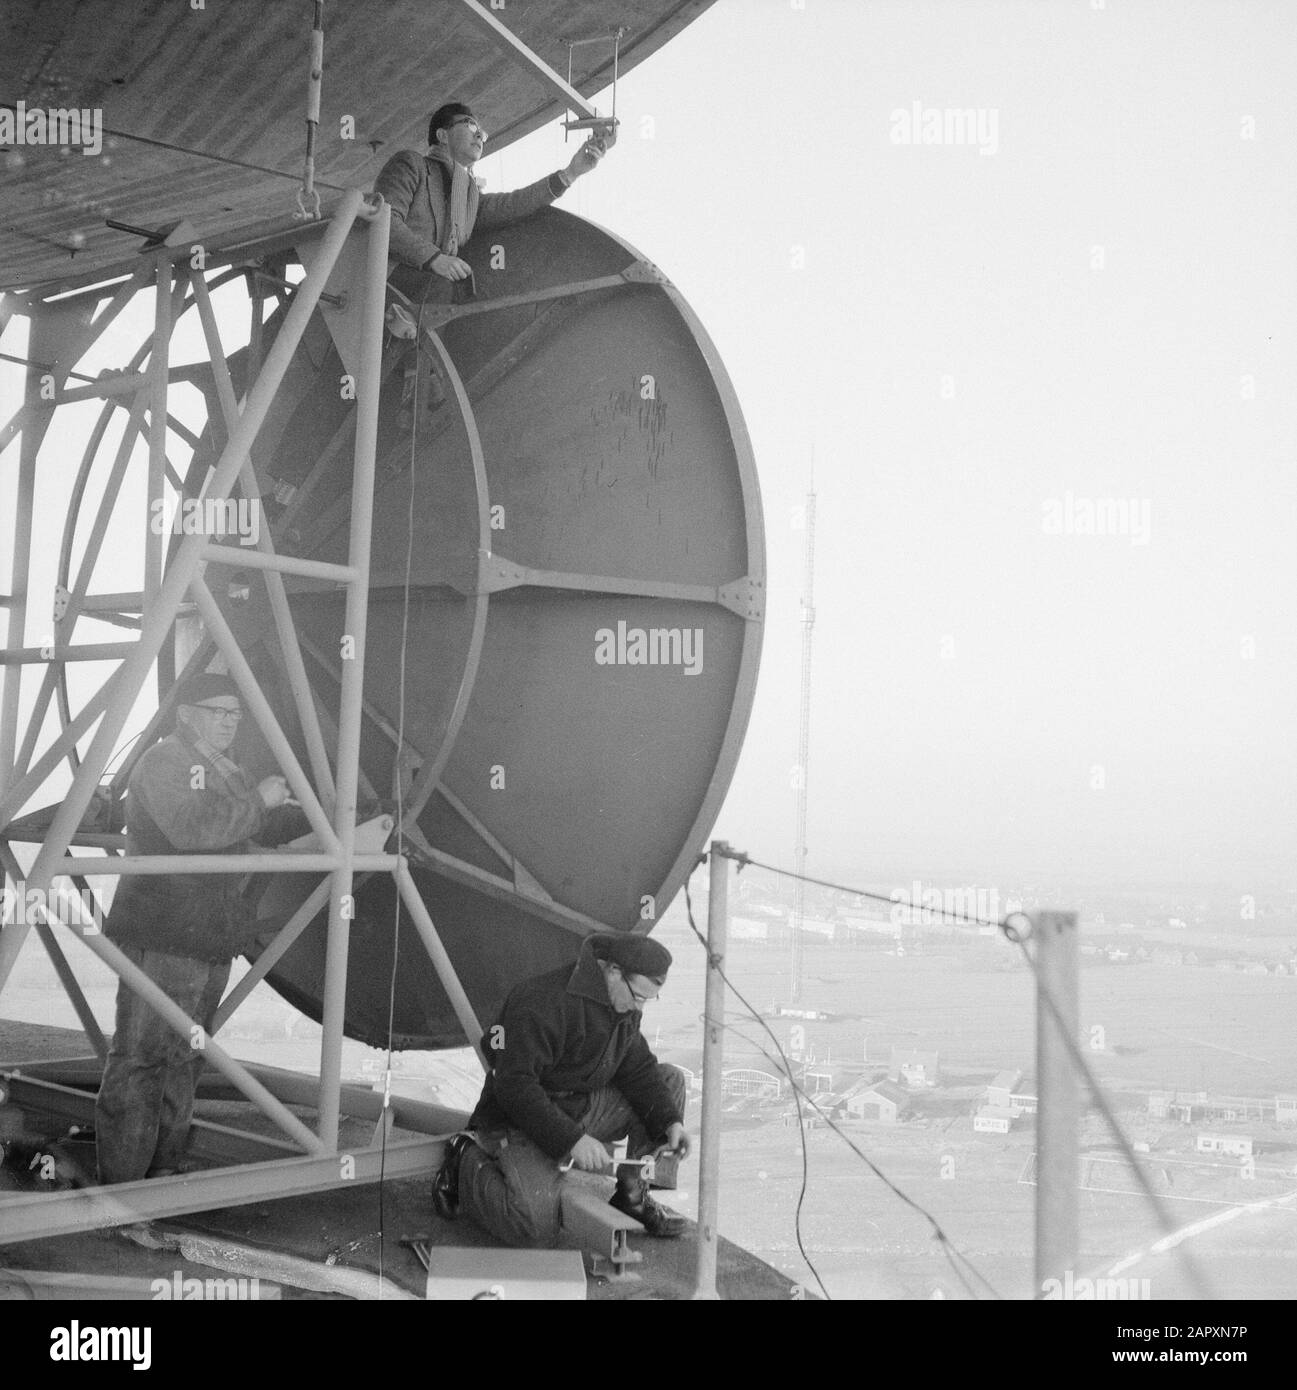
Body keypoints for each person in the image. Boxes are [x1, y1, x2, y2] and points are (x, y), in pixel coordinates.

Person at [94, 673, 295, 1184]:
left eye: (234, 714)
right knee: (144, 1057)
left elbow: (238, 832)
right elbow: (191, 829)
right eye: (217, 711)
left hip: (208, 933)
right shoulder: (165, 761)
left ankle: (161, 1173)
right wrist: (260, 802)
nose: (229, 721)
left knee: (184, 1056)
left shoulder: (223, 769)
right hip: (167, 933)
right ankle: (121, 1185)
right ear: (186, 713)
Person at [434, 932, 691, 1245]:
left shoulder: (622, 1005)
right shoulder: (540, 1002)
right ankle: (463, 1160)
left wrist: (669, 1121)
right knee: (532, 1227)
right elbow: (514, 1087)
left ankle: (632, 1195)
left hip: (579, 1108)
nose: (639, 1007)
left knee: (669, 1081)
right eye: (638, 997)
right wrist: (572, 1141)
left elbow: (637, 1069)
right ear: (612, 972)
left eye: (647, 1000)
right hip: (520, 1121)